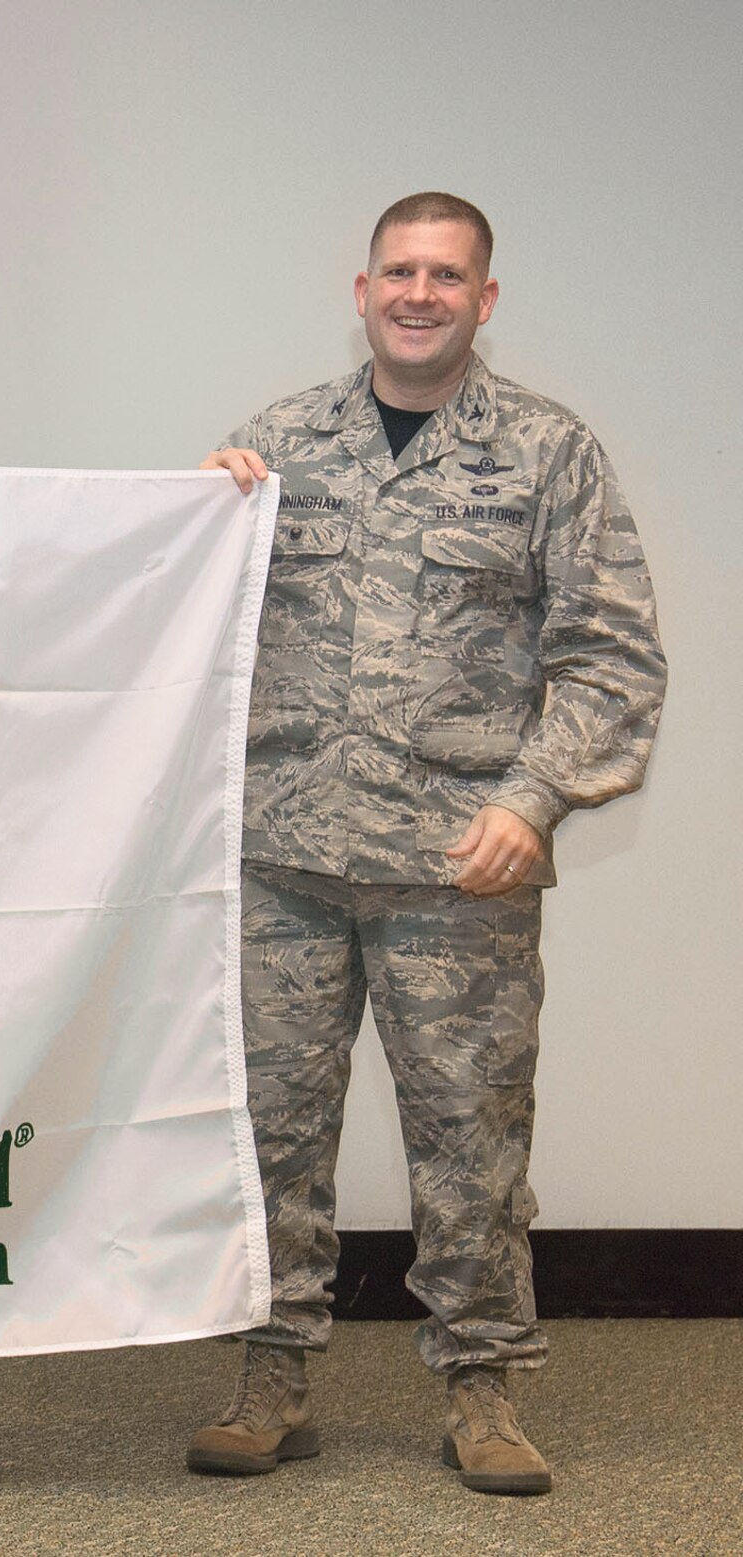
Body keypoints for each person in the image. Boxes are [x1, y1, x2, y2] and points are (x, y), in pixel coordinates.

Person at [190, 192, 665, 1496]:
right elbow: (182, 617)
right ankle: (271, 1374)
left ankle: (484, 1388)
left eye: (445, 275)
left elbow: (612, 656)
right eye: (399, 270)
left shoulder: (547, 455)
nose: (419, 292)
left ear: (484, 299)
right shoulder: (276, 445)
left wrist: (535, 798)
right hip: (285, 858)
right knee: (271, 1132)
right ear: (361, 288)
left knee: (470, 1140)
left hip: (461, 867)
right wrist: (194, 521)